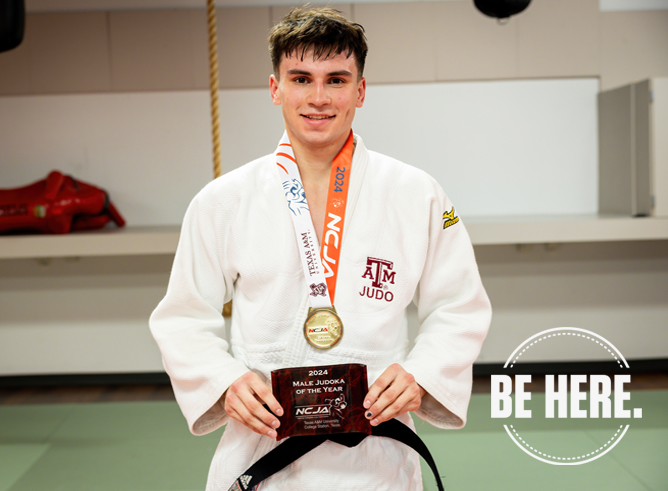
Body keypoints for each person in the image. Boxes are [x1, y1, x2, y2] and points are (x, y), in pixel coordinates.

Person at [149, 6, 491, 491]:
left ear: (360, 91)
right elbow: (183, 316)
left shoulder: (418, 194)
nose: (317, 98)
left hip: (376, 454)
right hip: (264, 449)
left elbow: (459, 306)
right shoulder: (223, 200)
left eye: (335, 79)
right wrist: (223, 380)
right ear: (275, 89)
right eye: (301, 78)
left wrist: (421, 374)